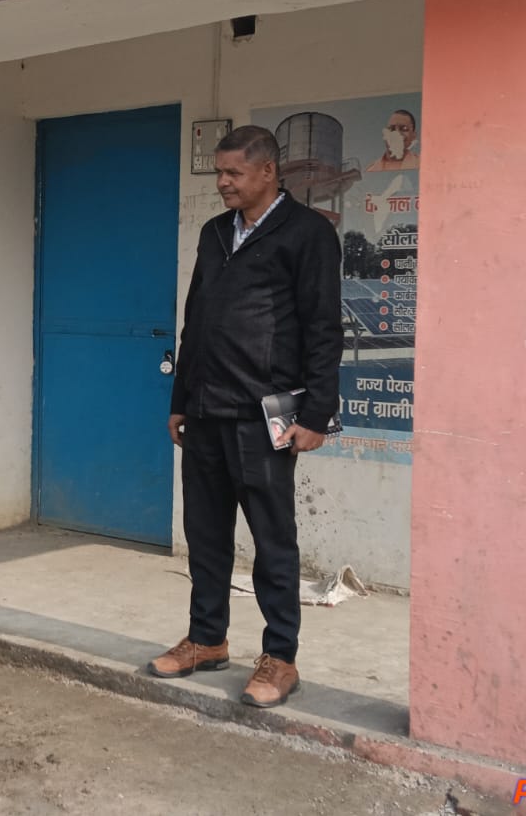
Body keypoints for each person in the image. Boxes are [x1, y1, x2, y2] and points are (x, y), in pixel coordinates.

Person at [153, 125, 344, 708]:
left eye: (233, 172)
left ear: (268, 172)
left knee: (272, 540)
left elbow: (323, 328)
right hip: (206, 409)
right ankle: (207, 639)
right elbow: (196, 320)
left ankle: (280, 657)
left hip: (265, 414)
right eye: (219, 172)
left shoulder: (308, 233)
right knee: (205, 535)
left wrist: (317, 413)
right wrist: (180, 399)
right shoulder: (215, 233)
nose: (223, 182)